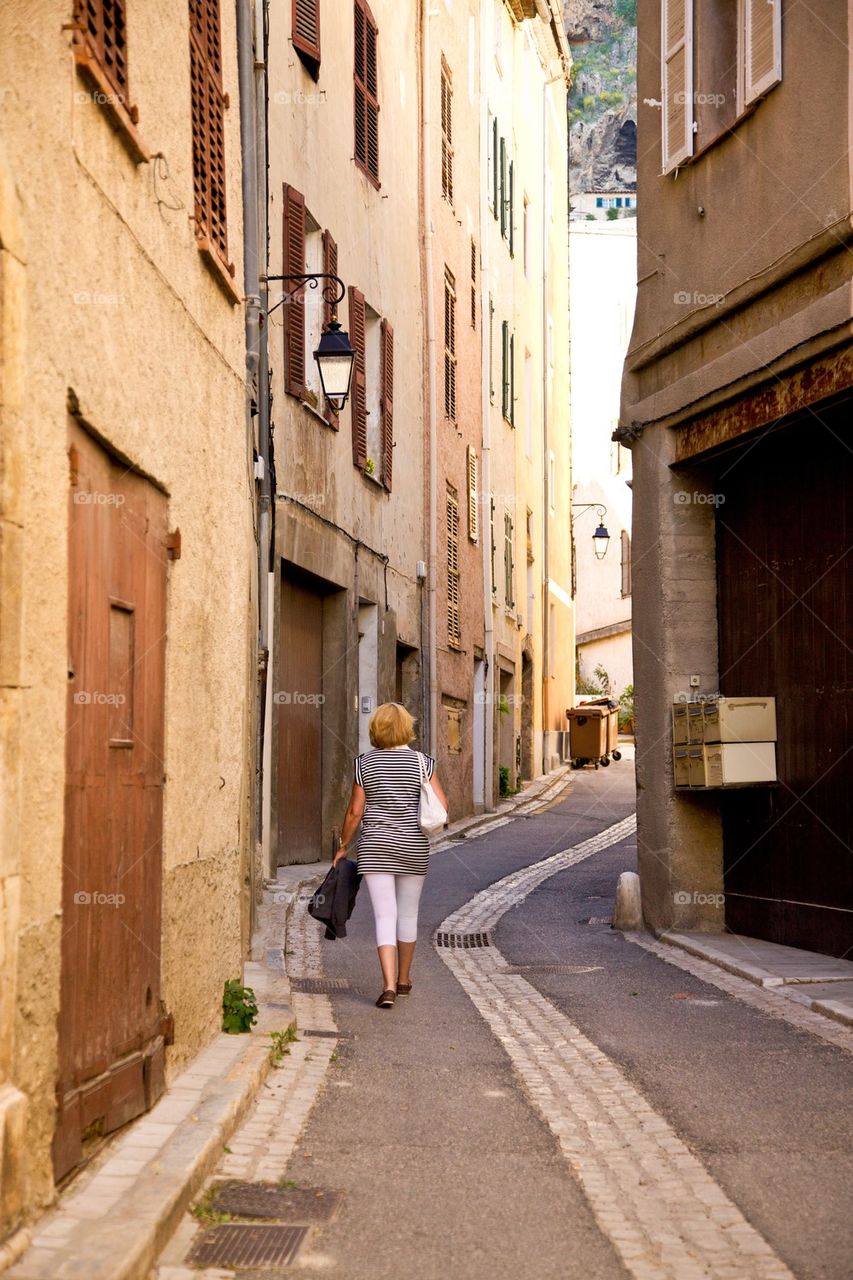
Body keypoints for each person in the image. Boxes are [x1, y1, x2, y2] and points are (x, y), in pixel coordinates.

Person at [334, 703, 448, 1009]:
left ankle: (387, 988)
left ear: (377, 729)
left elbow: (355, 812)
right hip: (413, 845)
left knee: (385, 915)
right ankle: (404, 979)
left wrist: (343, 845)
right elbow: (441, 805)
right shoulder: (423, 762)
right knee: (408, 914)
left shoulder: (364, 764)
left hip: (375, 846)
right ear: (406, 728)